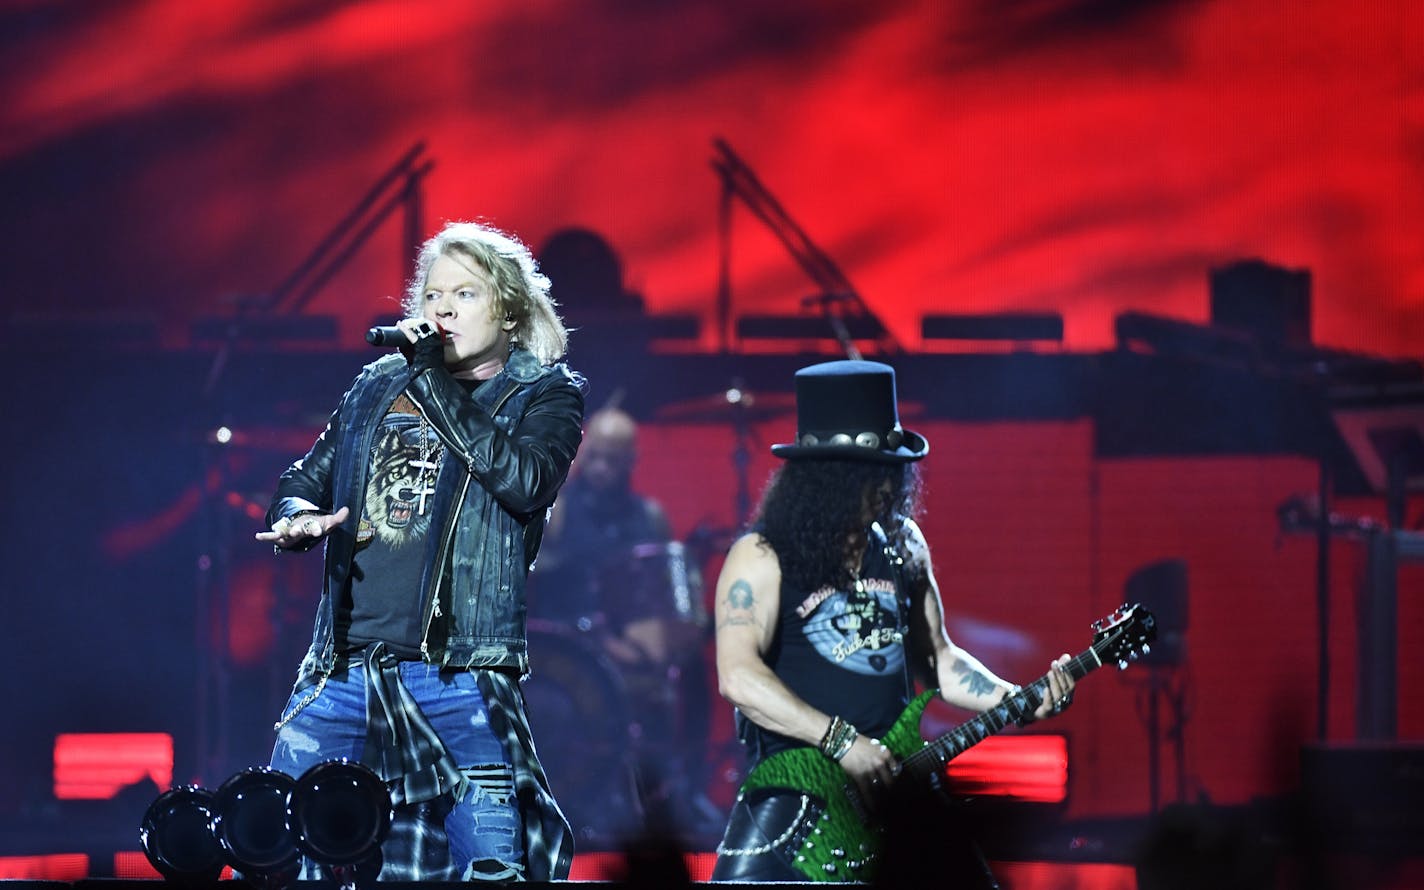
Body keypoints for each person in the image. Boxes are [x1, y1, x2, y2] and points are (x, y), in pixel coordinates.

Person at [255, 220, 584, 882]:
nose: (441, 309)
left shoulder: (544, 393)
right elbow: (301, 481)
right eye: (433, 295)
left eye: (464, 294)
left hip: (460, 675)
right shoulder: (378, 384)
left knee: (490, 866)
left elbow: (524, 482)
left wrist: (431, 381)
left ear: (509, 307)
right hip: (345, 669)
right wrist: (296, 518)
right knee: (281, 857)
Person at [710, 360, 1077, 884]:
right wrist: (842, 743)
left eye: (891, 469)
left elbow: (941, 660)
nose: (885, 485)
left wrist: (1017, 698)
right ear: (826, 476)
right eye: (868, 472)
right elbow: (738, 676)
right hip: (800, 792)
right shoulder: (762, 555)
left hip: (897, 784)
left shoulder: (902, 544)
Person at [528, 405, 714, 842]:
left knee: (690, 675)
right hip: (562, 651)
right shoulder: (556, 510)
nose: (601, 468)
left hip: (623, 645)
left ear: (631, 460)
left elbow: (665, 597)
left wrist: (660, 643)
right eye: (595, 456)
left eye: (614, 458)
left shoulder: (647, 516)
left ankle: (677, 789)